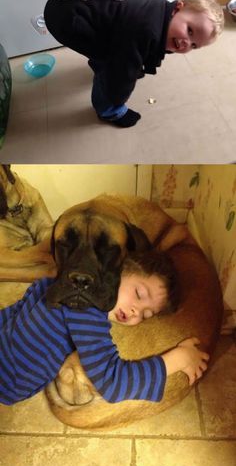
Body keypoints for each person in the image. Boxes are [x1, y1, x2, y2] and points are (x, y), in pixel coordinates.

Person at [0, 186, 225, 441]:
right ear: (123, 268)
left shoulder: (69, 299)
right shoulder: (79, 304)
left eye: (147, 314)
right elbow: (113, 380)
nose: (134, 312)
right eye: (139, 295)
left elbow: (114, 381)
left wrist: (176, 357)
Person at [10, 0, 224, 131]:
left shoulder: (160, 12)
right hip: (66, 19)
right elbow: (122, 75)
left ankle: (101, 60)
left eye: (194, 45)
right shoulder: (145, 30)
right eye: (189, 30)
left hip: (83, 4)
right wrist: (117, 96)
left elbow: (144, 44)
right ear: (177, 8)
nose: (186, 42)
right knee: (111, 64)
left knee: (116, 45)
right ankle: (108, 110)